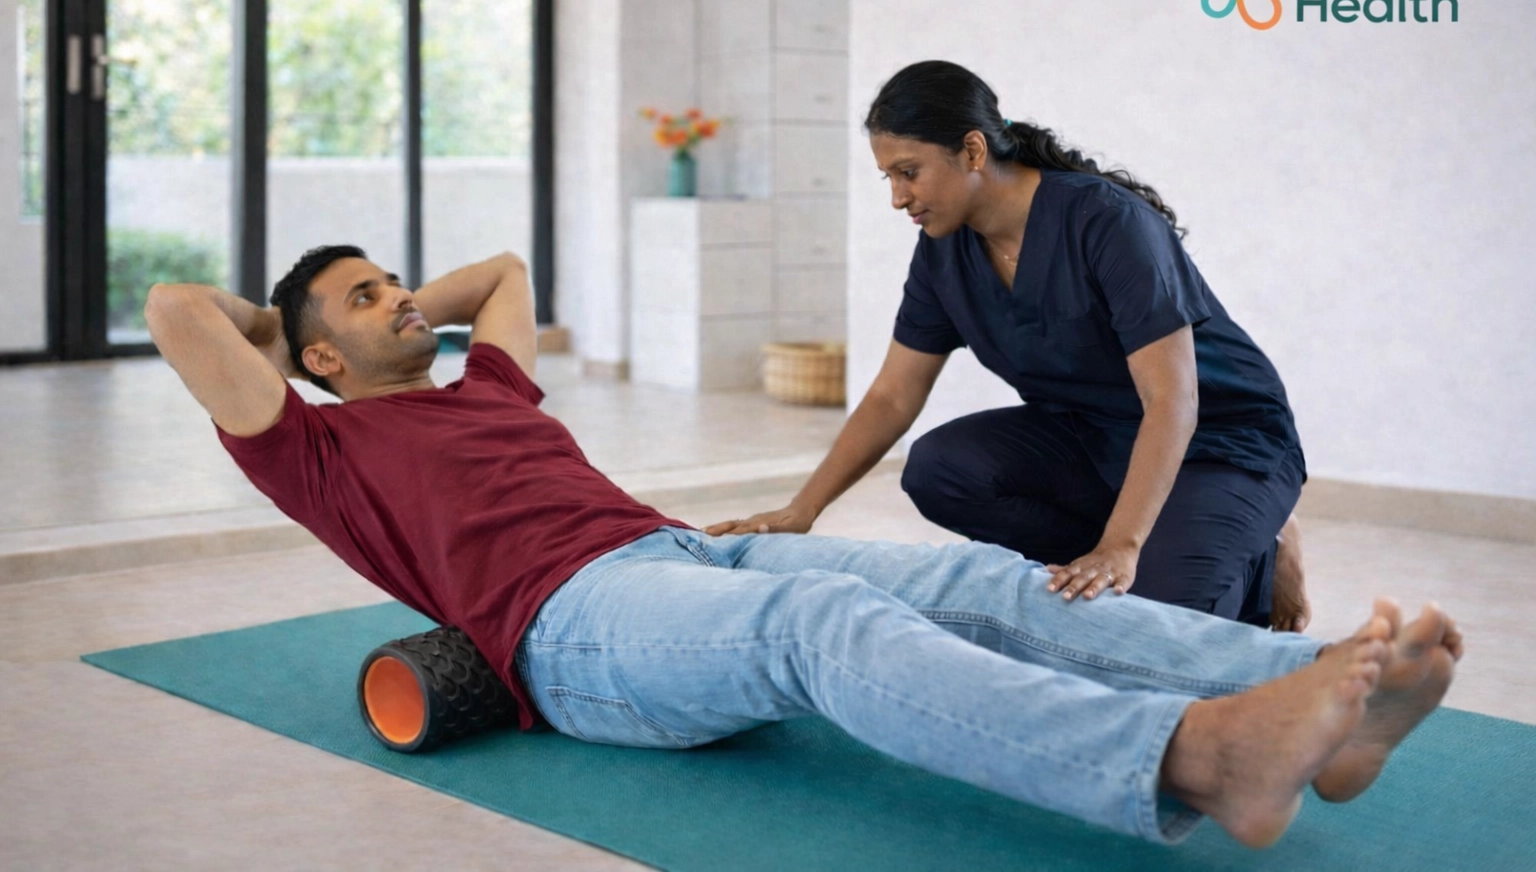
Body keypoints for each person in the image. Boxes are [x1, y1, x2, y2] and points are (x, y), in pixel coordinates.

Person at [144, 245, 1459, 849]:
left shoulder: (486, 386)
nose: (398, 302)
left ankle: (1321, 701)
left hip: (680, 555)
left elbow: (496, 273)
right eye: (367, 299)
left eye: (391, 285)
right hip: (569, 633)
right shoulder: (308, 449)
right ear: (314, 354)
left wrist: (393, 315)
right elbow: (169, 307)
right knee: (827, 630)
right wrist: (300, 341)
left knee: (969, 577)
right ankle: (1198, 758)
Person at [710, 60, 1310, 630]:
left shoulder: (1105, 222)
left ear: (972, 150)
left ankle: (1257, 546)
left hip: (1221, 442)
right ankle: (1148, 548)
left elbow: (1173, 399)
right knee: (941, 469)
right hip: (1094, 437)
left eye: (908, 171)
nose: (897, 197)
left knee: (1159, 620)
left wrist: (1121, 546)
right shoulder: (944, 248)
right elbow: (894, 396)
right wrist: (803, 509)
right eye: (888, 176)